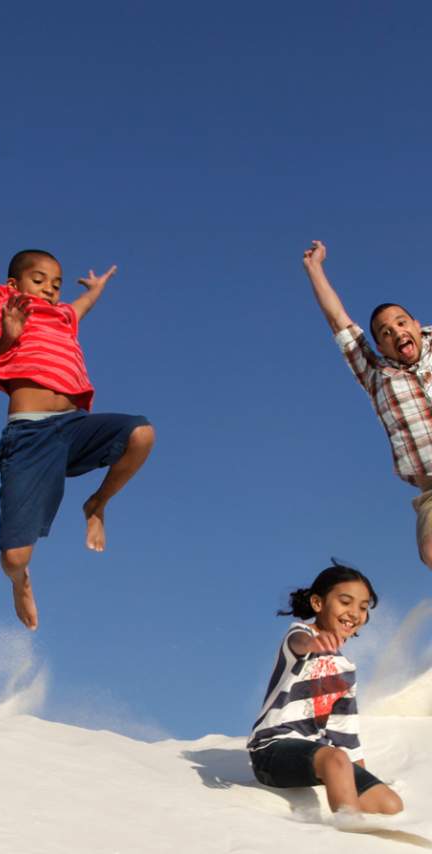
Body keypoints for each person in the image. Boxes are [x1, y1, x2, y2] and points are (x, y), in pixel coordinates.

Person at [0, 138, 155, 631]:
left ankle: (97, 503)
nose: (50, 287)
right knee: (13, 555)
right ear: (14, 281)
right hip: (28, 435)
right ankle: (19, 579)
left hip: (74, 424)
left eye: (56, 281)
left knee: (141, 433)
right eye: (40, 278)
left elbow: (80, 308)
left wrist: (94, 293)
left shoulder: (64, 315)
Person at [304, 239, 432, 569]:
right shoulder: (376, 374)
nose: (396, 332)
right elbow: (338, 321)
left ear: (417, 325)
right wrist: (315, 268)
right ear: (379, 344)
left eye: (402, 323)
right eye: (386, 332)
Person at [247, 562, 403, 817]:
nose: (354, 613)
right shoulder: (301, 634)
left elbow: (346, 736)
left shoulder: (346, 670)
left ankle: (366, 822)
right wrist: (313, 643)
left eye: (363, 608)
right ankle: (348, 834)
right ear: (318, 604)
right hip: (271, 751)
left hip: (317, 756)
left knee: (389, 804)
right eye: (345, 602)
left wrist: (363, 778)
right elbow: (298, 643)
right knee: (335, 758)